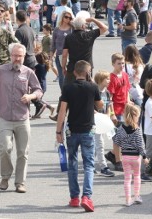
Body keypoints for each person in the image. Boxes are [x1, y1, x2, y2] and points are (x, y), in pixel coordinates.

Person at [0, 43, 42, 193]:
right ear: (10, 56)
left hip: (23, 118)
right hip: (4, 117)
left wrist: (31, 96)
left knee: (23, 152)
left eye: (20, 56)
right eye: (15, 55)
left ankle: (20, 183)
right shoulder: (0, 71)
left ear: (24, 57)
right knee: (4, 148)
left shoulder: (28, 72)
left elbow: (38, 89)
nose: (17, 59)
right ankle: (5, 176)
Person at [55, 60, 102, 212]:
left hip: (71, 130)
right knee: (89, 164)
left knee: (72, 162)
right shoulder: (93, 87)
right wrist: (92, 82)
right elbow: (100, 105)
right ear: (88, 72)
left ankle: (74, 197)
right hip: (88, 130)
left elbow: (62, 111)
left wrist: (58, 131)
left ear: (74, 72)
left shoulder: (68, 88)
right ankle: (86, 196)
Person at [112, 103, 146, 206]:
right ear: (136, 115)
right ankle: (136, 196)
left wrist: (118, 157)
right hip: (136, 157)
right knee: (137, 176)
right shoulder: (137, 130)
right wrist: (144, 156)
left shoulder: (121, 129)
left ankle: (127, 200)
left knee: (127, 179)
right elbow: (141, 145)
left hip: (125, 157)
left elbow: (116, 142)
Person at [61, 15, 107, 84]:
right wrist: (93, 19)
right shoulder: (89, 35)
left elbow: (64, 54)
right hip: (86, 67)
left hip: (72, 67)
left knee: (71, 90)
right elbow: (104, 28)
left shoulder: (69, 37)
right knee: (86, 89)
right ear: (83, 26)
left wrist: (63, 67)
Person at [92, 71, 115, 177]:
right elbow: (90, 106)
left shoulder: (107, 92)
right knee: (99, 144)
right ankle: (103, 167)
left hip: (102, 121)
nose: (109, 81)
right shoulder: (95, 91)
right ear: (101, 80)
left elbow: (109, 105)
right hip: (95, 121)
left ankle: (90, 165)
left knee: (96, 144)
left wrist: (108, 115)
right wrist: (99, 116)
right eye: (107, 79)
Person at [51, 9, 73, 90]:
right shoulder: (57, 29)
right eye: (66, 17)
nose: (68, 19)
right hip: (59, 55)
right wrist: (51, 57)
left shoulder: (72, 29)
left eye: (70, 18)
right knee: (61, 76)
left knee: (70, 76)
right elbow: (53, 44)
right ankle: (63, 93)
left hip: (70, 55)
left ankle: (69, 94)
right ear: (62, 17)